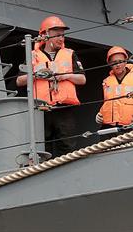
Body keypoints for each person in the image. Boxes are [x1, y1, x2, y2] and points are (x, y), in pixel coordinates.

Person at [16, 16, 85, 159]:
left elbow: (82, 79)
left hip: (64, 109)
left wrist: (65, 76)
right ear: (45, 35)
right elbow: (19, 81)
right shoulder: (33, 56)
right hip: (42, 110)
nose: (61, 38)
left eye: (62, 35)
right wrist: (36, 75)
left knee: (68, 147)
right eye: (57, 35)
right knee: (43, 147)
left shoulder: (70, 54)